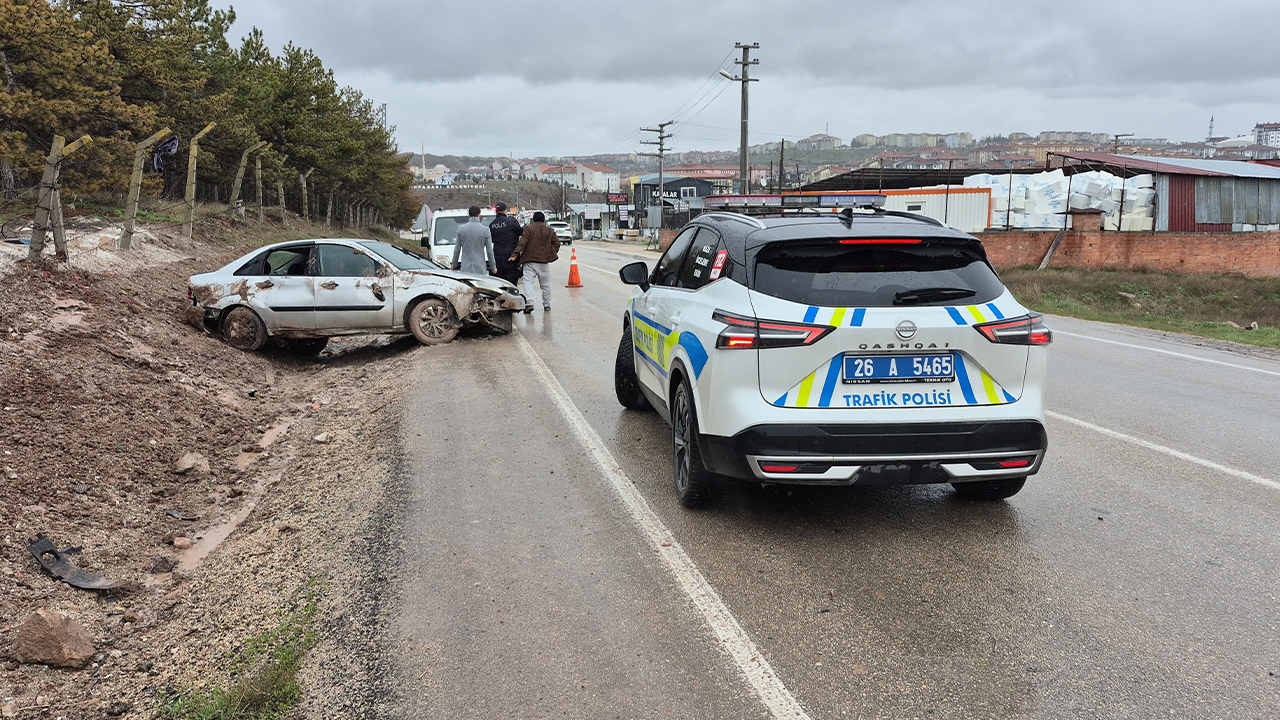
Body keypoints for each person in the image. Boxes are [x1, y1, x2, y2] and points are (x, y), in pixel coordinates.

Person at [509, 211, 560, 312]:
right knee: (545, 284)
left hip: (529, 261)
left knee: (528, 282)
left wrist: (515, 254)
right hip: (543, 262)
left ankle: (529, 303)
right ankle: (547, 305)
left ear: (534, 219)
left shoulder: (529, 229)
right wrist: (551, 253)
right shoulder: (549, 230)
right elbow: (557, 243)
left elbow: (522, 242)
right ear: (543, 220)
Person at [451, 205, 495, 275]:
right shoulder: (485, 230)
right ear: (479, 215)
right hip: (480, 267)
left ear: (469, 215)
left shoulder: (461, 229)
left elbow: (457, 250)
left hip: (465, 267)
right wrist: (493, 266)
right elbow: (489, 251)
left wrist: (454, 265)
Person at [488, 202, 524, 285]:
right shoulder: (511, 221)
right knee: (512, 281)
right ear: (505, 211)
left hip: (497, 256)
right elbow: (521, 232)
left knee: (500, 282)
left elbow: (490, 239)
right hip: (511, 255)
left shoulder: (492, 225)